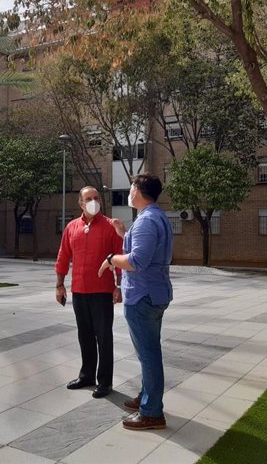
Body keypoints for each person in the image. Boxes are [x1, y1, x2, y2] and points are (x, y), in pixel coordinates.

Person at [98, 173, 173, 430]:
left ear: (139, 192)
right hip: (156, 293)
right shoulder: (156, 217)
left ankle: (152, 412)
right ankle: (146, 397)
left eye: (131, 188)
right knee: (148, 351)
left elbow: (136, 262)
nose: (129, 192)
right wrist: (123, 234)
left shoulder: (146, 222)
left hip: (143, 296)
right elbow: (146, 252)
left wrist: (111, 259)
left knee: (149, 354)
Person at [56, 186, 123, 399]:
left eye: (96, 198)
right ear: (80, 203)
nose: (93, 201)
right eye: (88, 198)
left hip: (102, 291)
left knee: (103, 337)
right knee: (84, 335)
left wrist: (118, 285)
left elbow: (120, 257)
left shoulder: (110, 226)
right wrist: (59, 284)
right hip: (79, 291)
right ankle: (87, 376)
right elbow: (63, 256)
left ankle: (105, 381)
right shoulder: (72, 227)